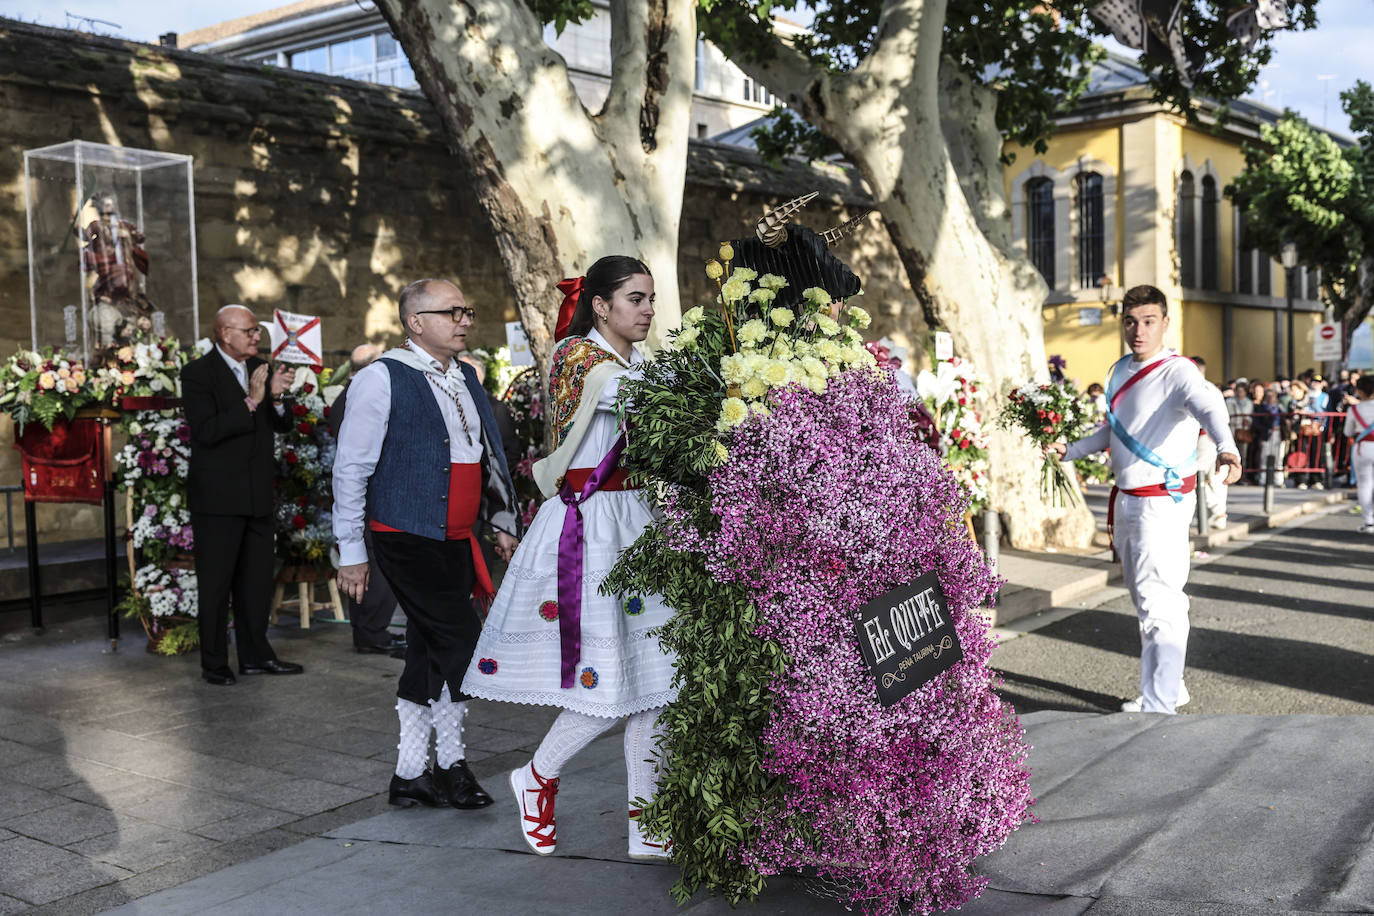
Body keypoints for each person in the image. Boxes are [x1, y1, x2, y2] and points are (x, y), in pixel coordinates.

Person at [460, 256, 675, 860]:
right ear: (601, 304)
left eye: (651, 299)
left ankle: (648, 825)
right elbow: (651, 402)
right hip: (591, 526)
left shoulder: (636, 363)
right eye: (636, 299)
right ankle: (537, 774)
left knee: (659, 683)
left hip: (636, 521)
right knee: (608, 683)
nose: (649, 310)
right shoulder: (578, 356)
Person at [333, 279, 521, 811]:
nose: (464, 319)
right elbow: (350, 468)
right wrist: (351, 551)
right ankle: (454, 766)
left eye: (467, 310)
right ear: (416, 322)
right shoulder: (381, 378)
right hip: (405, 534)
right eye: (451, 312)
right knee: (462, 644)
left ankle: (414, 772)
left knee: (427, 651)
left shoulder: (464, 376)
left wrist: (502, 520)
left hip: (457, 537)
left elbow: (487, 455)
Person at [1048, 285, 1240, 714]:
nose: (1139, 330)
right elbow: (1113, 430)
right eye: (1131, 321)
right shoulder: (1118, 371)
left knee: (1159, 600)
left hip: (1162, 503)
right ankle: (1172, 686)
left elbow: (1210, 407)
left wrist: (1228, 448)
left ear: (1166, 324)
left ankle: (1159, 705)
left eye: (1149, 321)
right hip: (1127, 500)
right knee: (1145, 597)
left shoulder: (1178, 372)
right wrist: (1070, 450)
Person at [182, 305, 304, 686]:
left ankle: (255, 656)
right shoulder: (198, 374)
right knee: (217, 586)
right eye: (250, 331)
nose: (257, 337)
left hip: (256, 495)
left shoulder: (259, 368)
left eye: (257, 331)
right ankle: (215, 664)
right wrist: (251, 400)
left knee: (255, 585)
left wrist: (278, 397)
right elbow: (205, 431)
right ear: (224, 334)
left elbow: (281, 425)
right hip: (217, 501)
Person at [326, 343, 406, 657]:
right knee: (377, 566)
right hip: (371, 494)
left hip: (366, 493)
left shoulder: (345, 395)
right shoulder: (360, 395)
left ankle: (367, 629)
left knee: (371, 566)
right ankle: (370, 631)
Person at [1342, 374, 1374, 533]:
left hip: (1363, 448)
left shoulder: (1354, 409)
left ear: (1359, 391)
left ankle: (1369, 521)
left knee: (1365, 484)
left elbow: (1347, 432)